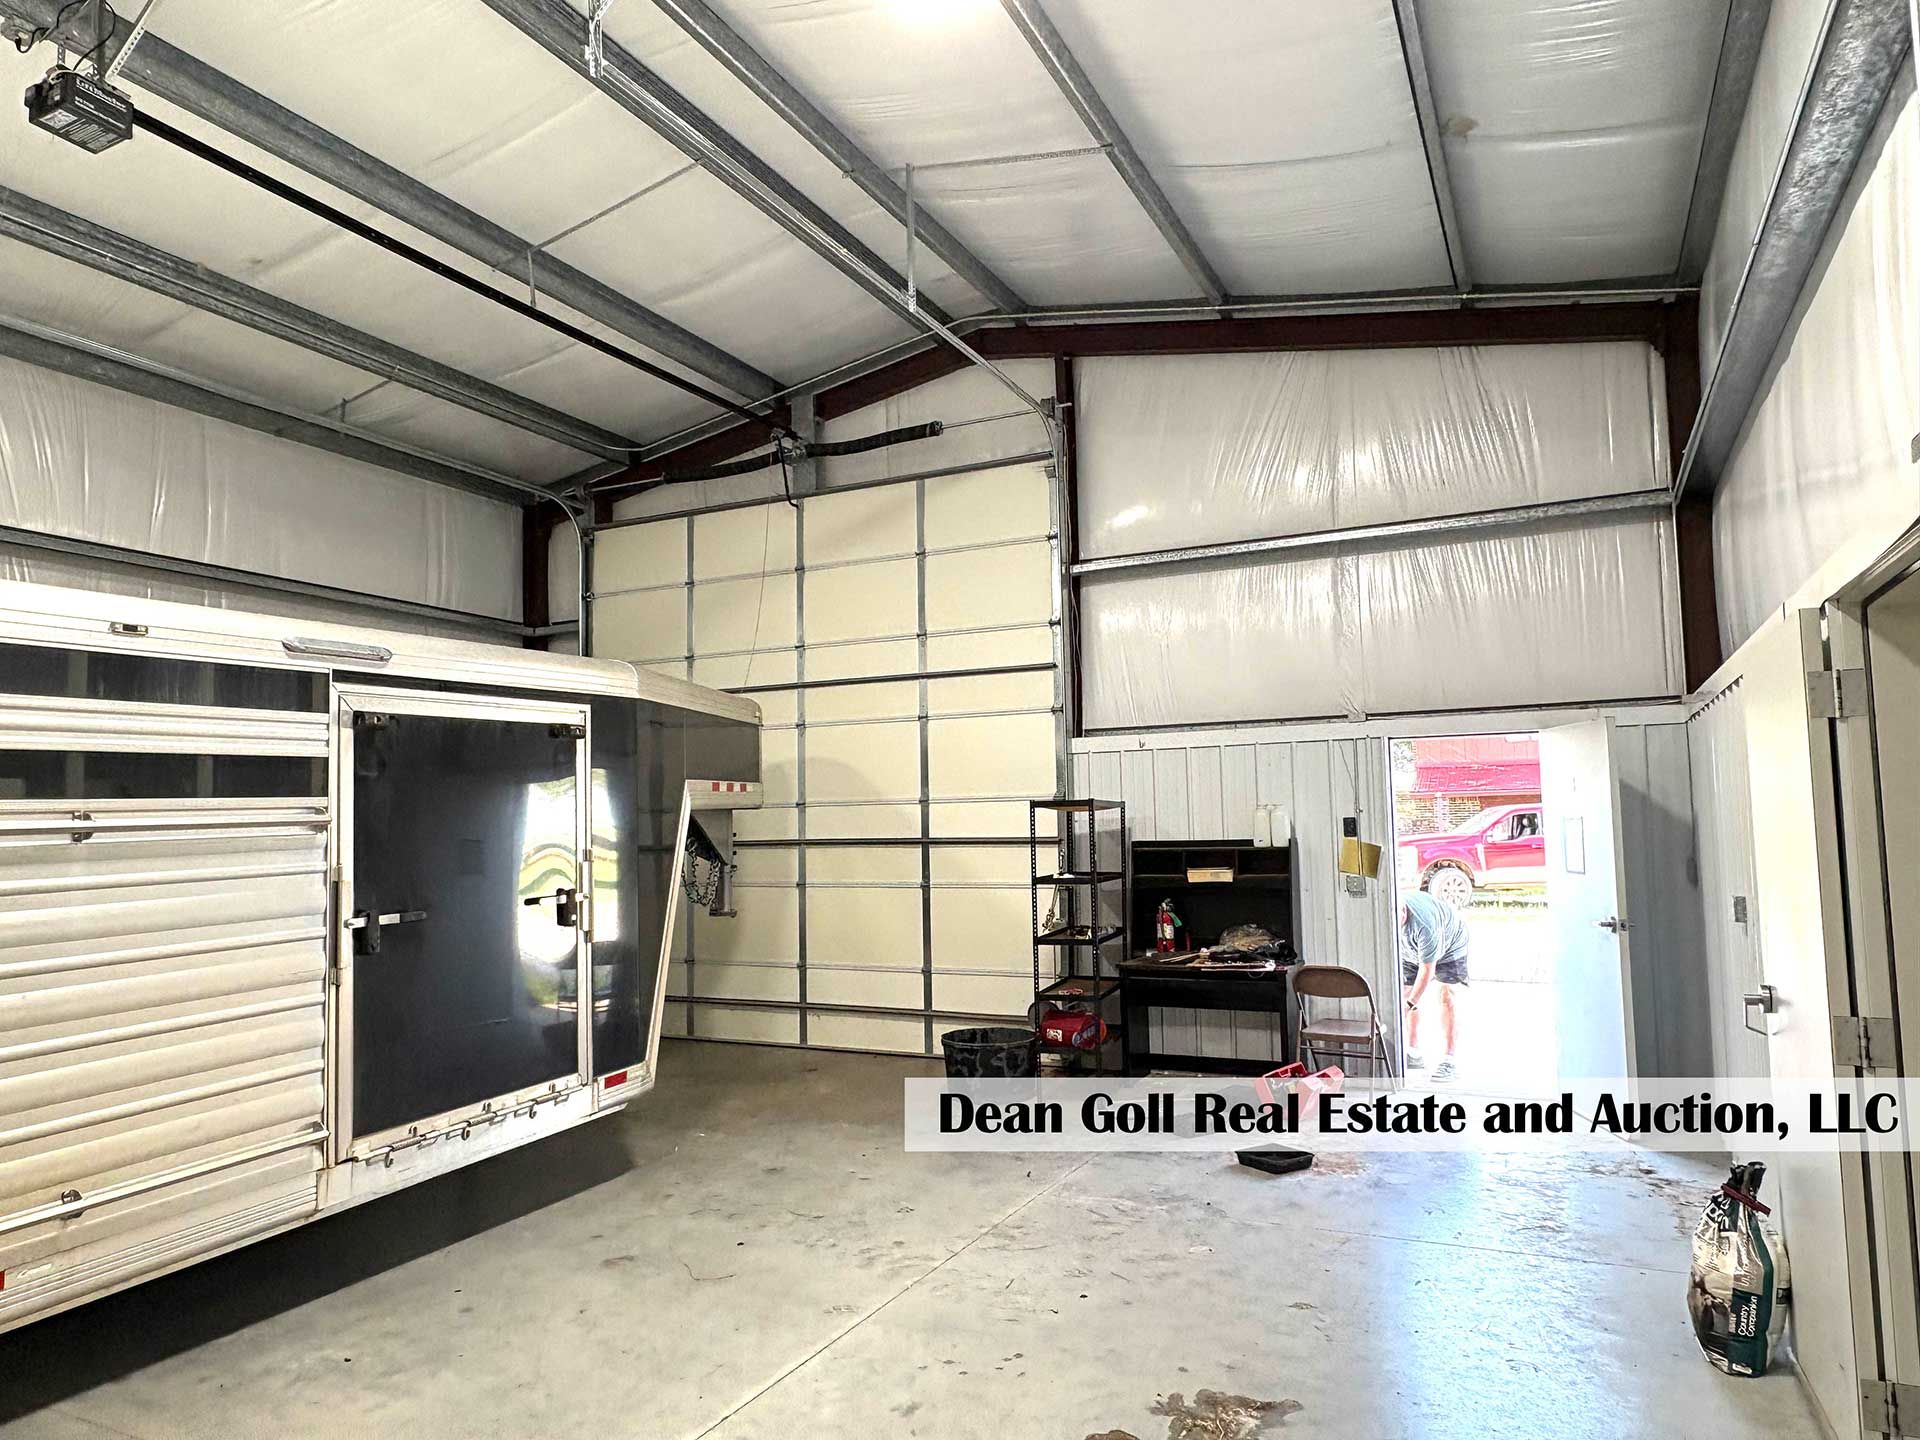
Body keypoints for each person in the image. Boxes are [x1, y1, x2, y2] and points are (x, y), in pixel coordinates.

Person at [1401, 889, 1468, 1082]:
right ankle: (1413, 1053)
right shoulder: (1388, 916)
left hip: (1451, 945)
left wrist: (1410, 1003)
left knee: (1446, 996)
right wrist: (1408, 1000)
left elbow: (1426, 970)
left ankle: (1449, 1060)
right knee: (1406, 993)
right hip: (1410, 950)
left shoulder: (1425, 924)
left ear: (1404, 912)